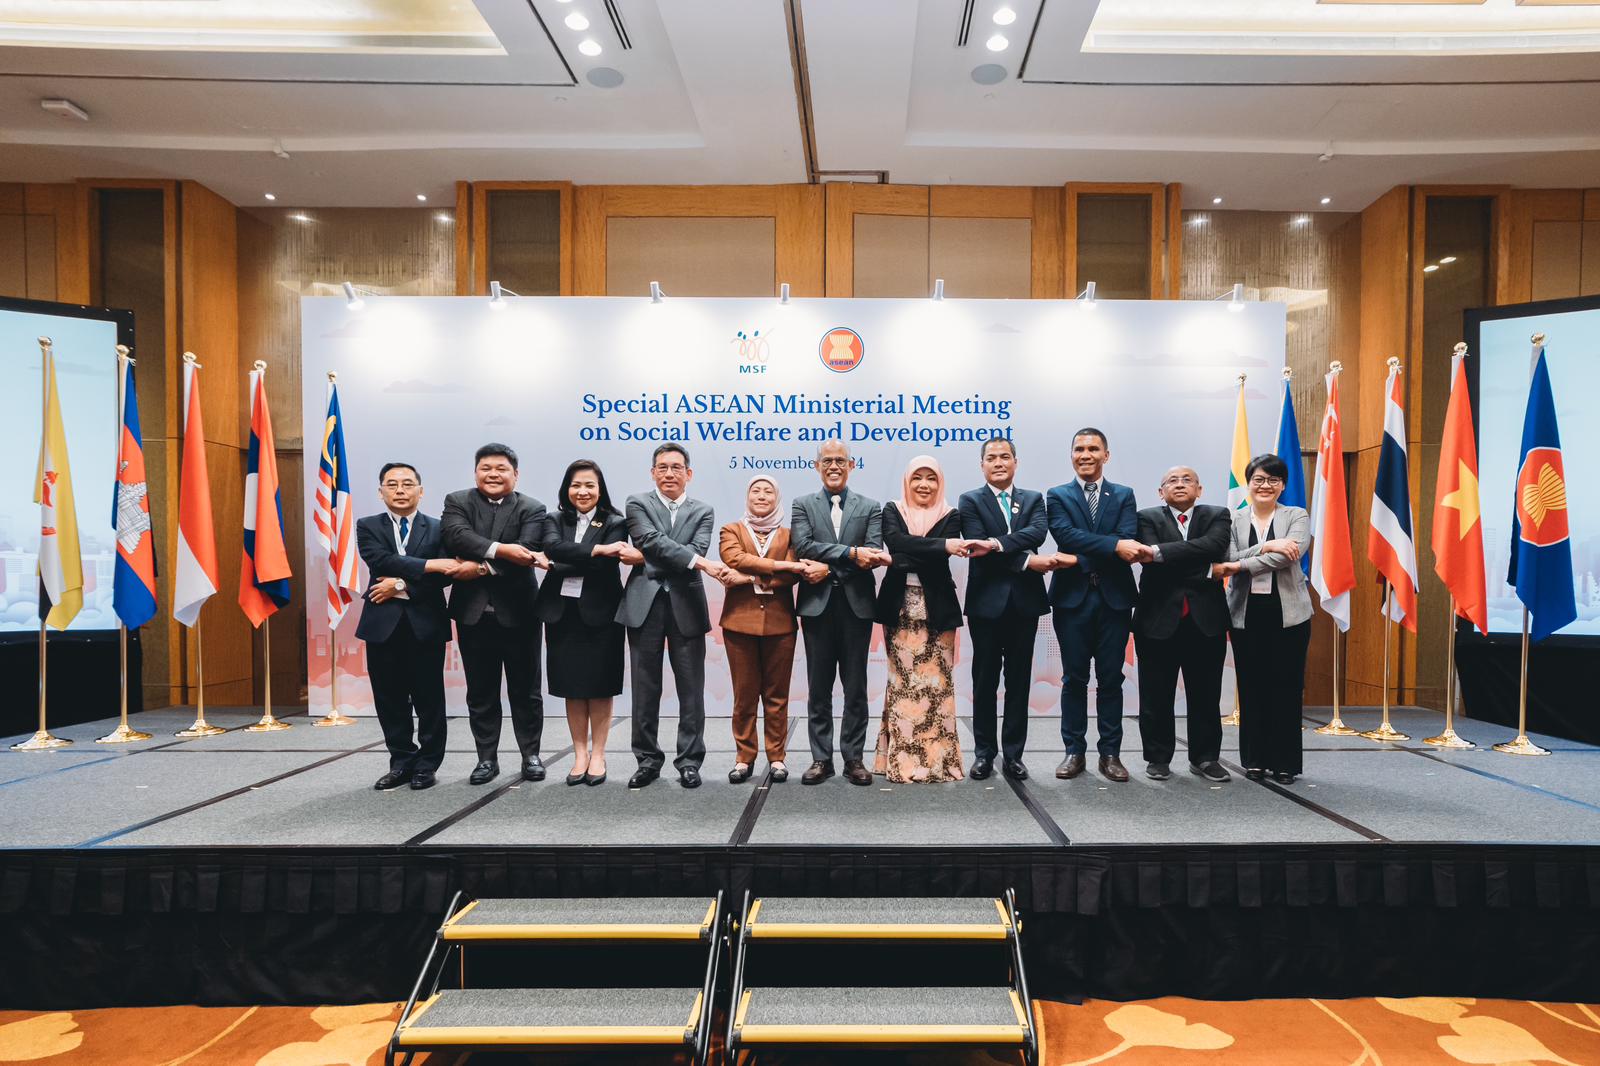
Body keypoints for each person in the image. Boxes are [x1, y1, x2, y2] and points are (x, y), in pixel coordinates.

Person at [617, 444, 730, 790]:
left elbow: (694, 549)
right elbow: (649, 539)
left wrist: (645, 557)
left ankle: (690, 761)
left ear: (688, 474)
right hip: (644, 606)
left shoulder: (704, 510)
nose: (669, 473)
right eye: (662, 467)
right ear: (653, 473)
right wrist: (695, 563)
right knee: (644, 689)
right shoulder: (637, 503)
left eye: (676, 467)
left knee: (691, 690)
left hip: (686, 606)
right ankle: (647, 761)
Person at [355, 462, 469, 791]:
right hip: (382, 625)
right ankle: (401, 762)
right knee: (389, 698)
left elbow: (447, 575)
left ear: (421, 491)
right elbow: (380, 560)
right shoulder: (368, 525)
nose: (400, 490)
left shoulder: (439, 528)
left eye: (407, 484)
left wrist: (400, 585)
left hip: (425, 624)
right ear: (381, 492)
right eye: (392, 484)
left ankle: (427, 764)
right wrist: (430, 564)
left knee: (429, 698)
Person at [441, 443, 549, 786]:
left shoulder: (533, 507)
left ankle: (531, 755)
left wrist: (480, 566)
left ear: (515, 474)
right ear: (476, 472)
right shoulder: (457, 501)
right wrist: (502, 549)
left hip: (521, 613)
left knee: (526, 690)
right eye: (485, 468)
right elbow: (456, 537)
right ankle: (486, 759)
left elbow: (527, 552)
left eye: (501, 468)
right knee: (481, 691)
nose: (493, 474)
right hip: (473, 615)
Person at [958, 436, 1061, 781]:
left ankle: (1014, 755)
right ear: (982, 465)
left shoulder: (1032, 498)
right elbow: (977, 548)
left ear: (1015, 462)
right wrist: (1026, 562)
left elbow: (1037, 533)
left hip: (1024, 604)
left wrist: (995, 544)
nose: (999, 462)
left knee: (1018, 683)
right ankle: (984, 754)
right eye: (991, 458)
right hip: (986, 604)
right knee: (984, 681)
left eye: (1005, 456)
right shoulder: (970, 500)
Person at [1045, 428, 1145, 783]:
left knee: (1111, 679)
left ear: (1106, 455)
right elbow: (1065, 535)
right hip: (1071, 601)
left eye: (1092, 448)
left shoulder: (1124, 494)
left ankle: (1110, 754)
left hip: (1114, 600)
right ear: (1071, 454)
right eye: (1079, 449)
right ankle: (1074, 752)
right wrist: (1113, 547)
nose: (1085, 454)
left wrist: (1079, 558)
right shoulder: (1057, 495)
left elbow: (1128, 537)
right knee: (1074, 679)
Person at [791, 440, 890, 786]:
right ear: (817, 466)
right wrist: (850, 554)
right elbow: (804, 546)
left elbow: (873, 552)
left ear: (851, 465)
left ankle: (853, 758)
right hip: (816, 607)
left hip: (856, 606)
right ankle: (821, 759)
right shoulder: (802, 504)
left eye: (840, 461)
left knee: (855, 687)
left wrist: (830, 568)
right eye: (827, 461)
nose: (834, 466)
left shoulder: (871, 506)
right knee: (818, 687)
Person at [536, 459, 639, 787]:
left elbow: (601, 566)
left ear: (600, 489)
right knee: (572, 687)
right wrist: (596, 550)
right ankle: (580, 754)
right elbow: (552, 546)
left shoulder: (616, 521)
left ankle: (599, 754)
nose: (582, 491)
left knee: (600, 685)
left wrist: (556, 565)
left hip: (602, 612)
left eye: (589, 485)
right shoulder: (553, 519)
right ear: (567, 488)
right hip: (562, 613)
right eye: (576, 485)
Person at [1213, 453, 1312, 785]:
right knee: (1252, 687)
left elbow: (1289, 556)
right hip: (1246, 614)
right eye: (1258, 479)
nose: (1265, 485)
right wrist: (1269, 545)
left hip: (1289, 615)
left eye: (1273, 480)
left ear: (1282, 485)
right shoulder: (1233, 518)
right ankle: (1254, 760)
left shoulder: (1296, 515)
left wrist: (1241, 564)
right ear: (1248, 484)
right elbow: (1226, 556)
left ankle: (1285, 763)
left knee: (1286, 688)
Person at [1133, 467, 1232, 783]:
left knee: (1206, 694)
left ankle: (1205, 757)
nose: (1179, 484)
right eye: (1171, 481)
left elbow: (1215, 546)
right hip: (1157, 619)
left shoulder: (1217, 515)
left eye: (1187, 480)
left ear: (1199, 490)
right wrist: (1205, 568)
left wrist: (1160, 553)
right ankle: (1158, 758)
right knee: (1155, 694)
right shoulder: (1146, 518)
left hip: (1206, 620)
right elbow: (1155, 562)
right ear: (1160, 492)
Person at [874, 456, 967, 783]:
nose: (924, 484)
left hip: (939, 610)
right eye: (917, 477)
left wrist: (906, 557)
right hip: (898, 609)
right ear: (907, 481)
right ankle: (901, 763)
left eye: (931, 478)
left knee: (937, 686)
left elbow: (909, 554)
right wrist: (941, 547)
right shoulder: (892, 510)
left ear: (939, 483)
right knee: (902, 685)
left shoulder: (952, 515)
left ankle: (938, 763)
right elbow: (895, 542)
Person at [718, 476, 812, 784]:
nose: (761, 496)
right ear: (747, 497)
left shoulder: (790, 535)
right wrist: (780, 567)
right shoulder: (731, 529)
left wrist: (748, 577)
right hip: (739, 624)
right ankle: (744, 758)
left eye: (768, 491)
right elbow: (734, 558)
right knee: (744, 696)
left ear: (777, 498)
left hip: (780, 625)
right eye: (755, 491)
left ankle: (776, 757)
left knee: (777, 696)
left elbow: (794, 575)